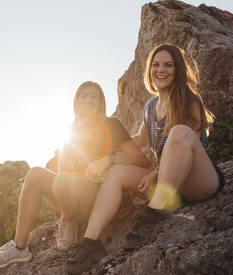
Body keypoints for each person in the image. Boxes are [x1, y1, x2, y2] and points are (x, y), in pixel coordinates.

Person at [65, 44, 226, 274]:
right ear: (149, 70)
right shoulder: (150, 107)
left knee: (180, 132)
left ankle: (153, 214)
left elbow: (188, 147)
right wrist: (103, 153)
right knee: (116, 171)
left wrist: (156, 173)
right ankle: (90, 243)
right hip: (169, 190)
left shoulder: (188, 101)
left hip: (198, 182)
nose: (161, 70)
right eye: (156, 65)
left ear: (177, 70)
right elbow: (139, 138)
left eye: (168, 65)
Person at [0, 81, 149, 269]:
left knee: (65, 183)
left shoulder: (112, 125)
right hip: (69, 195)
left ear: (100, 102)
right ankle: (20, 247)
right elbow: (62, 175)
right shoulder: (70, 133)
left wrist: (109, 161)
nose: (88, 100)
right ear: (76, 102)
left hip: (99, 200)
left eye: (93, 96)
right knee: (35, 174)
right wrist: (84, 175)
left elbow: (141, 160)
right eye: (83, 96)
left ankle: (68, 220)